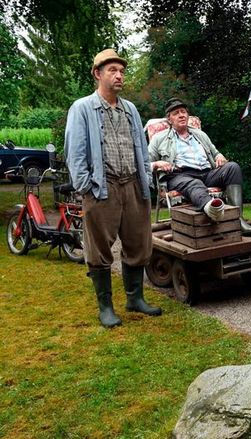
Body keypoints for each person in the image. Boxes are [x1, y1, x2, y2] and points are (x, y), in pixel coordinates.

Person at [65, 48, 162, 328]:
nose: (119, 76)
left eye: (121, 71)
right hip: (101, 187)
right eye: (112, 71)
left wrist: (144, 176)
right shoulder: (82, 108)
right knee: (99, 249)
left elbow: (142, 149)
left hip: (133, 185)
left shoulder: (130, 108)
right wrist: (86, 186)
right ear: (98, 74)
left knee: (138, 243)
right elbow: (75, 152)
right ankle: (105, 307)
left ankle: (135, 298)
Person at [149, 98, 251, 236]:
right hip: (180, 175)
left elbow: (216, 152)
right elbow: (146, 162)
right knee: (194, 183)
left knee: (232, 167)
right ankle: (213, 210)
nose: (181, 115)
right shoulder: (160, 138)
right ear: (169, 119)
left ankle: (237, 219)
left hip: (207, 173)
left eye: (183, 111)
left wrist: (219, 156)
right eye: (176, 113)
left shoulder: (200, 135)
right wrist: (158, 163)